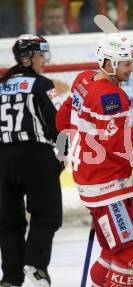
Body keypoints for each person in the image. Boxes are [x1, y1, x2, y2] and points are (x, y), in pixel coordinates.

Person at [56, 33, 133, 287]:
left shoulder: (82, 79)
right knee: (130, 252)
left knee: (113, 251)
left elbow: (61, 121)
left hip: (89, 181)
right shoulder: (112, 98)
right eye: (126, 64)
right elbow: (118, 147)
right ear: (109, 64)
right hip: (108, 187)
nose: (131, 69)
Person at [0, 34, 63, 287]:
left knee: (7, 221)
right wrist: (62, 155)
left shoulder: (1, 84)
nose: (44, 61)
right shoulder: (42, 84)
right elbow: (58, 124)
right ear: (28, 58)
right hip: (36, 156)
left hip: (2, 159)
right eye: (40, 55)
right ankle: (36, 265)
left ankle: (11, 278)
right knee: (47, 215)